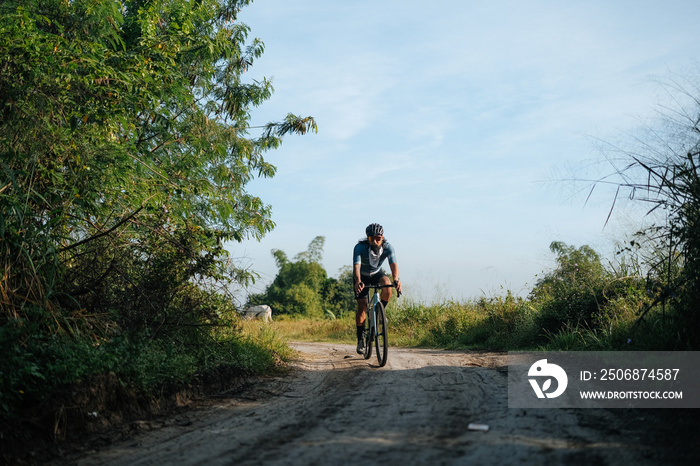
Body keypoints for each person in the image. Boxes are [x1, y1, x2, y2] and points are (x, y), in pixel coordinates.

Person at [353, 223, 402, 354]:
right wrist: (358, 282)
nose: (375, 241)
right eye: (371, 239)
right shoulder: (359, 247)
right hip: (362, 277)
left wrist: (396, 279)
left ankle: (380, 313)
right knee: (362, 306)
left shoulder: (388, 247)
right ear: (367, 238)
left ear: (382, 237)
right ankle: (361, 339)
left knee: (387, 284)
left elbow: (393, 264)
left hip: (376, 274)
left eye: (378, 238)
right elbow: (356, 266)